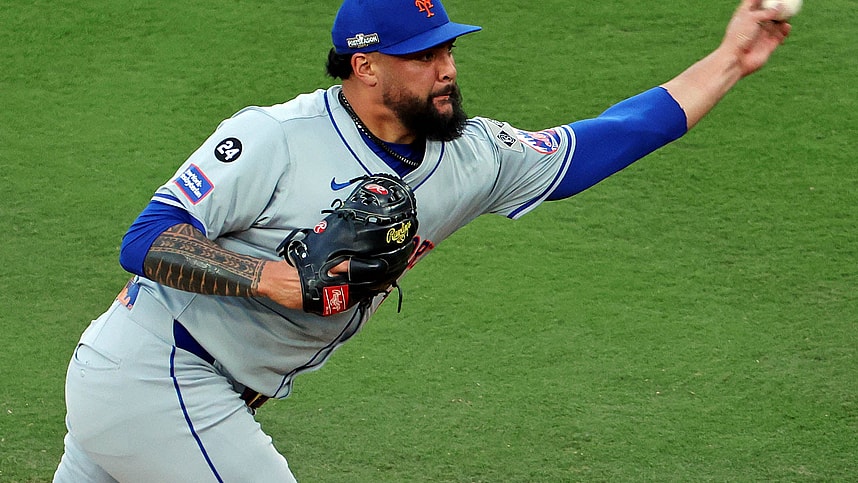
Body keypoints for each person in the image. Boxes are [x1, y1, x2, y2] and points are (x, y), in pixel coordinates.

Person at [53, 0, 791, 480]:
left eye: (447, 50)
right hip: (157, 374)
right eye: (424, 57)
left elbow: (606, 140)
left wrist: (732, 58)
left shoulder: (474, 155)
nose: (447, 70)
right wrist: (276, 279)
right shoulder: (273, 137)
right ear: (365, 66)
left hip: (192, 391)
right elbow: (147, 237)